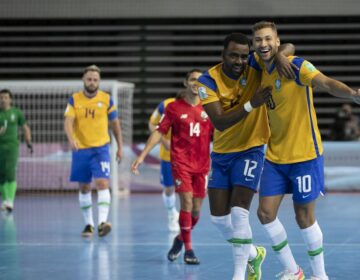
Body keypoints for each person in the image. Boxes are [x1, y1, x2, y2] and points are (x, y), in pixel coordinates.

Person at [252, 21, 360, 280]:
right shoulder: (257, 63)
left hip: (305, 156)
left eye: (268, 39)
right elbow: (281, 48)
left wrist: (352, 94)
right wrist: (279, 54)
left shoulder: (298, 66)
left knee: (304, 216)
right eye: (258, 40)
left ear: (276, 41)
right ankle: (293, 270)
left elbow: (325, 82)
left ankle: (320, 275)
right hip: (275, 156)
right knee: (265, 213)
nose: (263, 44)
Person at [196, 33, 295, 280]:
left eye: (243, 55)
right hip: (221, 154)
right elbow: (219, 122)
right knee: (219, 220)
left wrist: (281, 56)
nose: (240, 61)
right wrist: (252, 104)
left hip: (251, 148)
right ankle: (253, 253)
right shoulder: (208, 80)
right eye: (233, 55)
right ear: (223, 56)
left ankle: (239, 275)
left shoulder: (254, 63)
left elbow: (288, 45)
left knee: (240, 212)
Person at [132, 69, 213, 265]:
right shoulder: (174, 108)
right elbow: (159, 132)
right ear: (186, 82)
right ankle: (189, 250)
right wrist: (142, 156)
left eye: (199, 80)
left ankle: (179, 239)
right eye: (192, 79)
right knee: (185, 203)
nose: (196, 82)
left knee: (196, 211)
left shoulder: (210, 107)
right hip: (180, 163)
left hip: (202, 166)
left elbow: (219, 135)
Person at [64, 65, 123, 238]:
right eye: (89, 79)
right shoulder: (74, 99)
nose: (92, 82)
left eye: (95, 79)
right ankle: (88, 224)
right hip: (81, 149)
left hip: (101, 149)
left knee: (103, 183)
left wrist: (120, 146)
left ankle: (102, 223)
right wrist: (70, 138)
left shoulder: (107, 99)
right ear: (84, 79)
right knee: (84, 187)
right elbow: (68, 121)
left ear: (99, 81)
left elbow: (115, 125)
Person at [148, 97, 180, 232]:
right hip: (168, 156)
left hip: (190, 156)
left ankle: (186, 217)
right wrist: (163, 140)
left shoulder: (200, 105)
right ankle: (172, 212)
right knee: (169, 188)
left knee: (190, 191)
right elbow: (151, 124)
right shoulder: (165, 105)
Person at [0, 89, 33, 212]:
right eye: (1, 97)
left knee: (10, 172)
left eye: (5, 97)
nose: (3, 100)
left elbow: (25, 127)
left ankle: (10, 201)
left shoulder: (16, 112)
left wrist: (29, 141)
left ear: (10, 99)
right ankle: (6, 200)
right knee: (1, 175)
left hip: (12, 147)